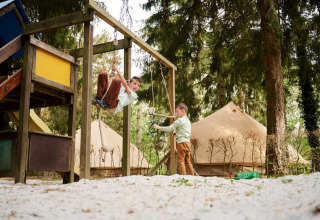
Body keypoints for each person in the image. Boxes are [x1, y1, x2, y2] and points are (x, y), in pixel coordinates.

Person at [152, 103, 194, 175]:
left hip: (181, 143)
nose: (176, 113)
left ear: (183, 111)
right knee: (188, 161)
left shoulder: (179, 121)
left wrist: (158, 127)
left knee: (181, 161)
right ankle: (192, 176)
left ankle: (184, 176)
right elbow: (183, 131)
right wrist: (175, 133)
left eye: (177, 111)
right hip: (188, 143)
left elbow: (169, 128)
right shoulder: (188, 121)